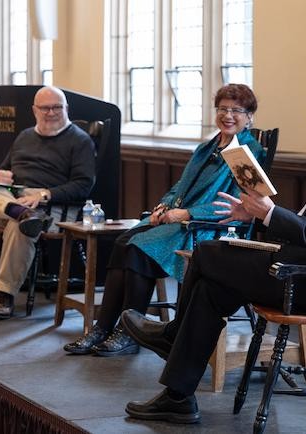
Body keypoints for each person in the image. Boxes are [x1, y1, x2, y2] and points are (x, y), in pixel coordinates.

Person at [120, 76, 306, 424]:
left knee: (207, 253)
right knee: (209, 287)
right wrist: (258, 215)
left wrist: (271, 213)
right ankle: (178, 396)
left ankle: (174, 340)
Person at [62, 84, 266, 357]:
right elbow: (180, 186)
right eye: (223, 109)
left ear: (249, 116)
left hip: (210, 229)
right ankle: (102, 327)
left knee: (138, 248)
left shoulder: (248, 153)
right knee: (122, 242)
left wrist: (187, 214)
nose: (228, 115)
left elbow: (239, 205)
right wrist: (163, 207)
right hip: (178, 222)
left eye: (236, 110)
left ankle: (127, 332)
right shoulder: (207, 148)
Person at [0, 86, 95, 320]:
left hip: (53, 206)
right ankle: (20, 212)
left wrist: (44, 194)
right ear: (34, 110)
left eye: (57, 107)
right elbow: (5, 170)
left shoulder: (79, 140)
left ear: (66, 108)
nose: (51, 112)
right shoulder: (25, 136)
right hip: (14, 199)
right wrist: (1, 177)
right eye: (45, 108)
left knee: (19, 226)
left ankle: (4, 296)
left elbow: (83, 185)